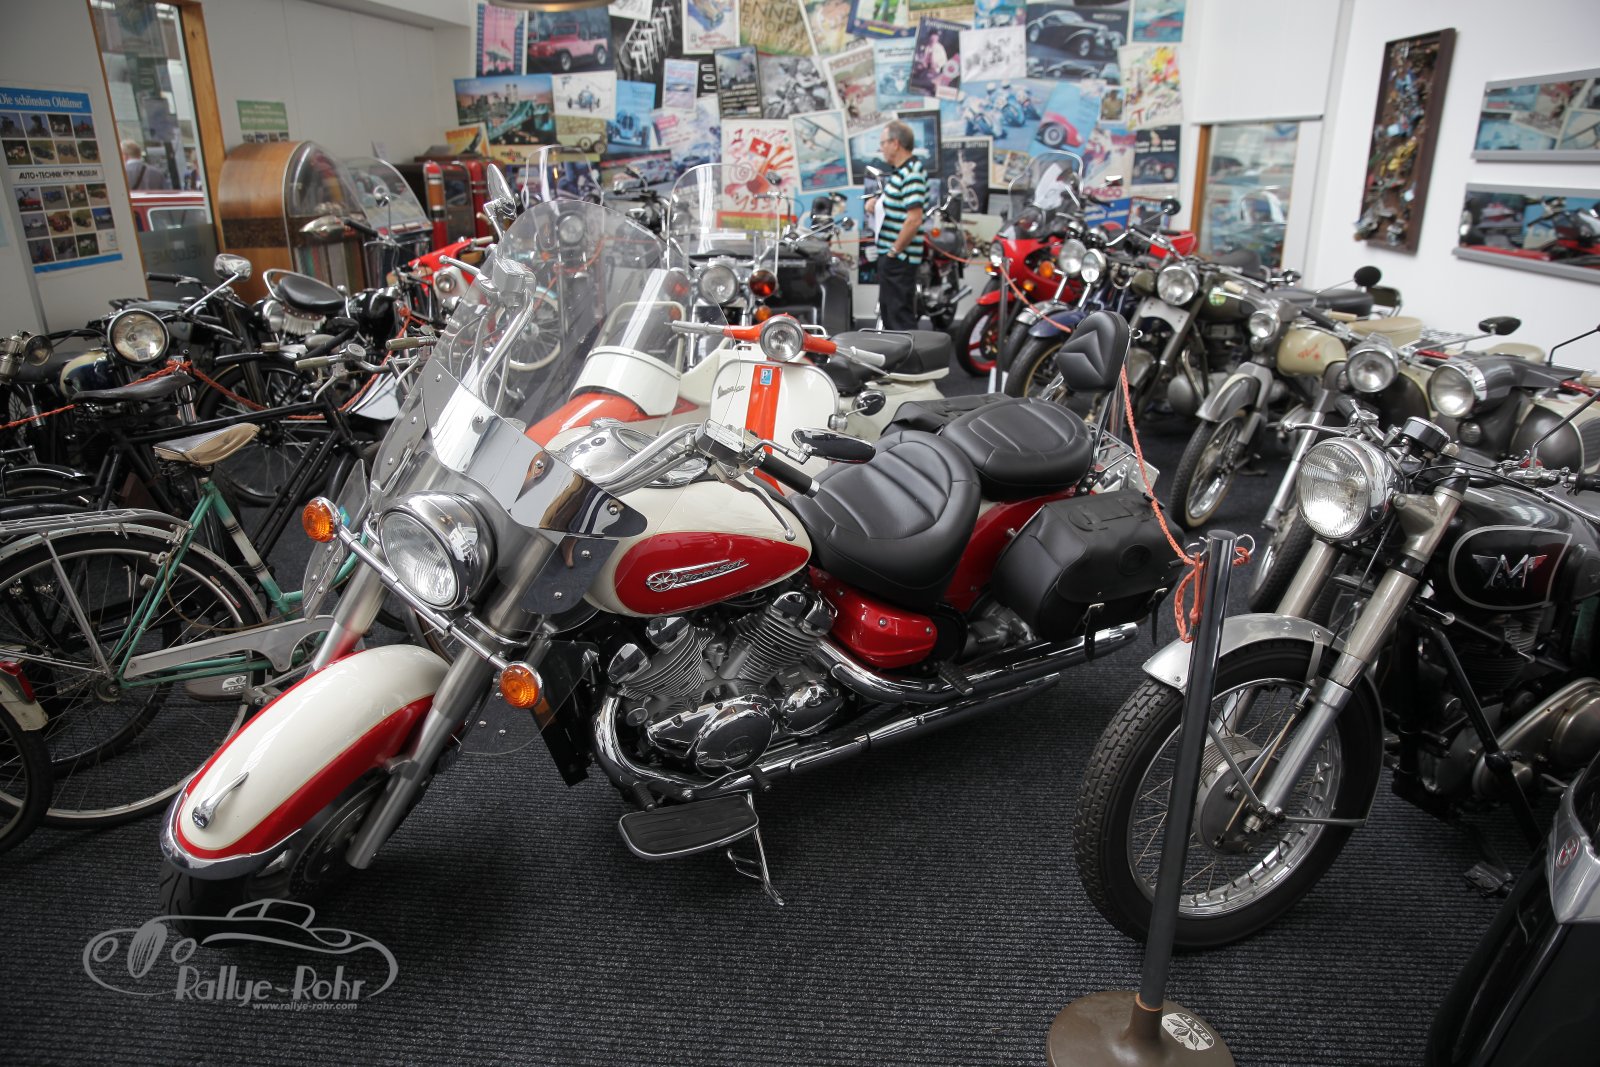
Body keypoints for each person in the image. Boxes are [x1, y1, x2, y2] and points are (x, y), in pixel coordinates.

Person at [872, 121, 927, 332]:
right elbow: (898, 206)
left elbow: (914, 219)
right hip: (892, 257)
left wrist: (894, 251)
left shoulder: (912, 172)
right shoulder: (901, 172)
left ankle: (909, 355)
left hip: (899, 259)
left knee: (899, 318)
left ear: (895, 143)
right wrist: (876, 204)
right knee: (889, 313)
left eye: (883, 143)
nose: (881, 149)